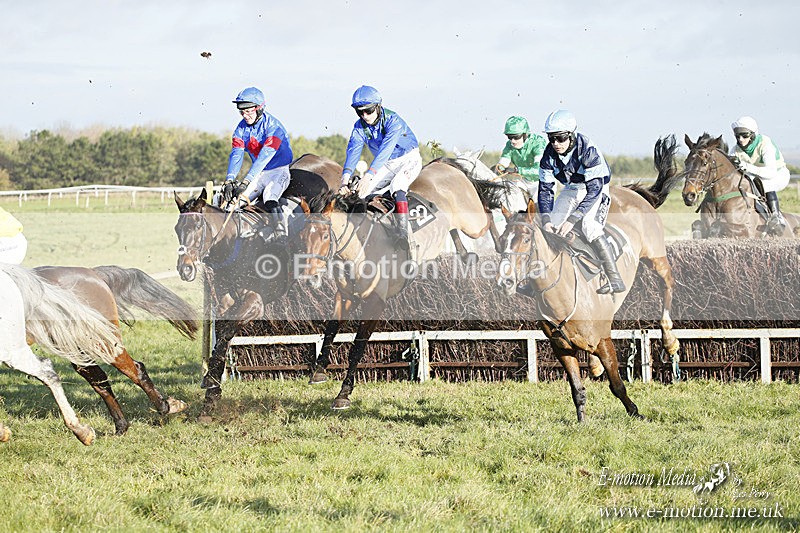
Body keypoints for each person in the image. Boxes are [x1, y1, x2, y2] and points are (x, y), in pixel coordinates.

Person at [538, 109, 624, 294]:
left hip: (596, 189)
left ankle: (615, 278)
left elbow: (594, 190)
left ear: (571, 135)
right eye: (551, 138)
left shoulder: (588, 151)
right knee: (550, 227)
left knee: (589, 226)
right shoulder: (548, 155)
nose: (555, 144)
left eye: (560, 138)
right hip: (572, 188)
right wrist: (545, 220)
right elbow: (545, 190)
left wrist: (572, 219)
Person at [339, 85, 421, 250]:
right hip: (386, 164)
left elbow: (385, 151)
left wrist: (369, 175)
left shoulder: (393, 121)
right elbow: (353, 152)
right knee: (360, 193)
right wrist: (344, 180)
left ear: (378, 106)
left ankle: (403, 235)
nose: (364, 115)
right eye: (359, 112)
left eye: (368, 111)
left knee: (397, 186)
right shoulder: (359, 126)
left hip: (408, 159)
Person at [222, 86, 294, 242]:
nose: (244, 115)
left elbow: (264, 157)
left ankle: (282, 236)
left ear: (259, 108)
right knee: (233, 204)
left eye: (248, 111)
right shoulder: (240, 129)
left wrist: (246, 181)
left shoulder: (274, 127)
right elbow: (236, 154)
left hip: (278, 170)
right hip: (259, 173)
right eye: (241, 111)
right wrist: (230, 179)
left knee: (269, 197)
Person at [730, 116, 791, 234]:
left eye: (744, 136)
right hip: (756, 178)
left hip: (778, 175)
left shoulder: (765, 143)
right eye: (737, 136)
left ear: (752, 135)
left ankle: (776, 217)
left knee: (765, 184)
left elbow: (770, 173)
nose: (741, 139)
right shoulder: (735, 150)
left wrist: (747, 167)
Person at [496, 116, 547, 201]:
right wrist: (498, 168)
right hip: (524, 180)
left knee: (538, 206)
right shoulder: (509, 145)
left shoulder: (538, 142)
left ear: (525, 135)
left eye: (516, 137)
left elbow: (540, 170)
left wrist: (517, 170)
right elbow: (503, 163)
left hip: (542, 181)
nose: (512, 141)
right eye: (509, 137)